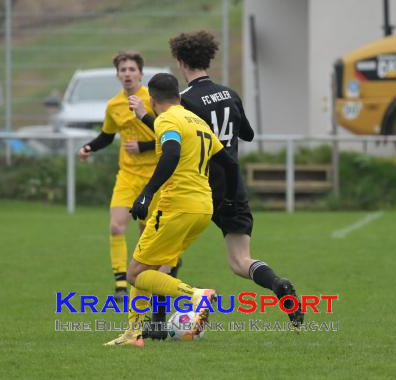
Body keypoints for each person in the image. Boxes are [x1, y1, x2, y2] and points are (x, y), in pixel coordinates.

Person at [129, 31, 305, 329]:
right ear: (208, 59)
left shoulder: (182, 102)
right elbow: (246, 134)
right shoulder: (229, 93)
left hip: (197, 186)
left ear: (181, 62)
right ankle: (278, 284)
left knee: (164, 257)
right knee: (240, 261)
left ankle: (157, 324)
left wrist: (144, 116)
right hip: (232, 185)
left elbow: (175, 138)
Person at [105, 72, 240, 347]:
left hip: (176, 205)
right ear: (179, 96)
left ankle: (195, 295)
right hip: (202, 208)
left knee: (134, 274)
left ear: (152, 100)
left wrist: (147, 192)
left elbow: (171, 152)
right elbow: (230, 163)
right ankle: (134, 334)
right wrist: (227, 199)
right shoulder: (196, 121)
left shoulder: (167, 119)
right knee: (153, 268)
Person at [79, 51, 173, 301]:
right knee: (116, 226)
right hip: (127, 176)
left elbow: (170, 134)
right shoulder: (113, 105)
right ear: (117, 75)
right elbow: (108, 136)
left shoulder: (153, 100)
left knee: (146, 232)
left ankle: (147, 281)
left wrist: (142, 147)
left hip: (154, 176)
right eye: (123, 70)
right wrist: (89, 147)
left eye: (132, 69)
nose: (127, 74)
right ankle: (120, 283)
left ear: (141, 73)